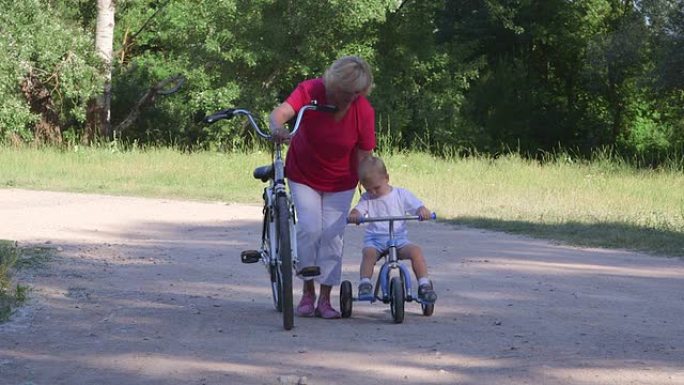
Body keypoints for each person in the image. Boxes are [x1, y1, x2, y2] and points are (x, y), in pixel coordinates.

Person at [268, 56, 376, 319]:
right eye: (347, 93)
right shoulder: (310, 90)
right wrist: (277, 128)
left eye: (357, 93)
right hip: (304, 174)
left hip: (341, 180)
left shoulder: (363, 110)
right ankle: (307, 292)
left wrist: (373, 185)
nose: (351, 99)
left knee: (333, 235)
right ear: (335, 85)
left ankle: (326, 298)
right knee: (310, 228)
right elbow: (280, 114)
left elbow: (364, 154)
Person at [347, 156, 438, 303]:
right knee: (368, 253)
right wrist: (354, 215)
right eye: (368, 189)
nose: (373, 192)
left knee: (416, 251)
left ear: (387, 178)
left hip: (399, 239)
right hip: (375, 240)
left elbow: (416, 206)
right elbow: (359, 210)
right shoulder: (367, 199)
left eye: (376, 188)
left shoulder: (400, 195)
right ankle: (365, 283)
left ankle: (424, 285)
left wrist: (422, 210)